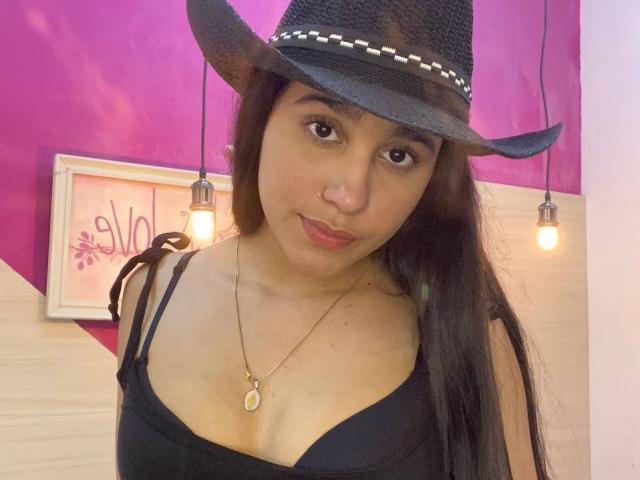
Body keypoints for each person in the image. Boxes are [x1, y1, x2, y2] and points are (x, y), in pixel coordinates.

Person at [110, 0, 562, 478]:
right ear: (262, 116)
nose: (349, 197)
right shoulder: (151, 294)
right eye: (323, 129)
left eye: (400, 155)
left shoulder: (467, 331)